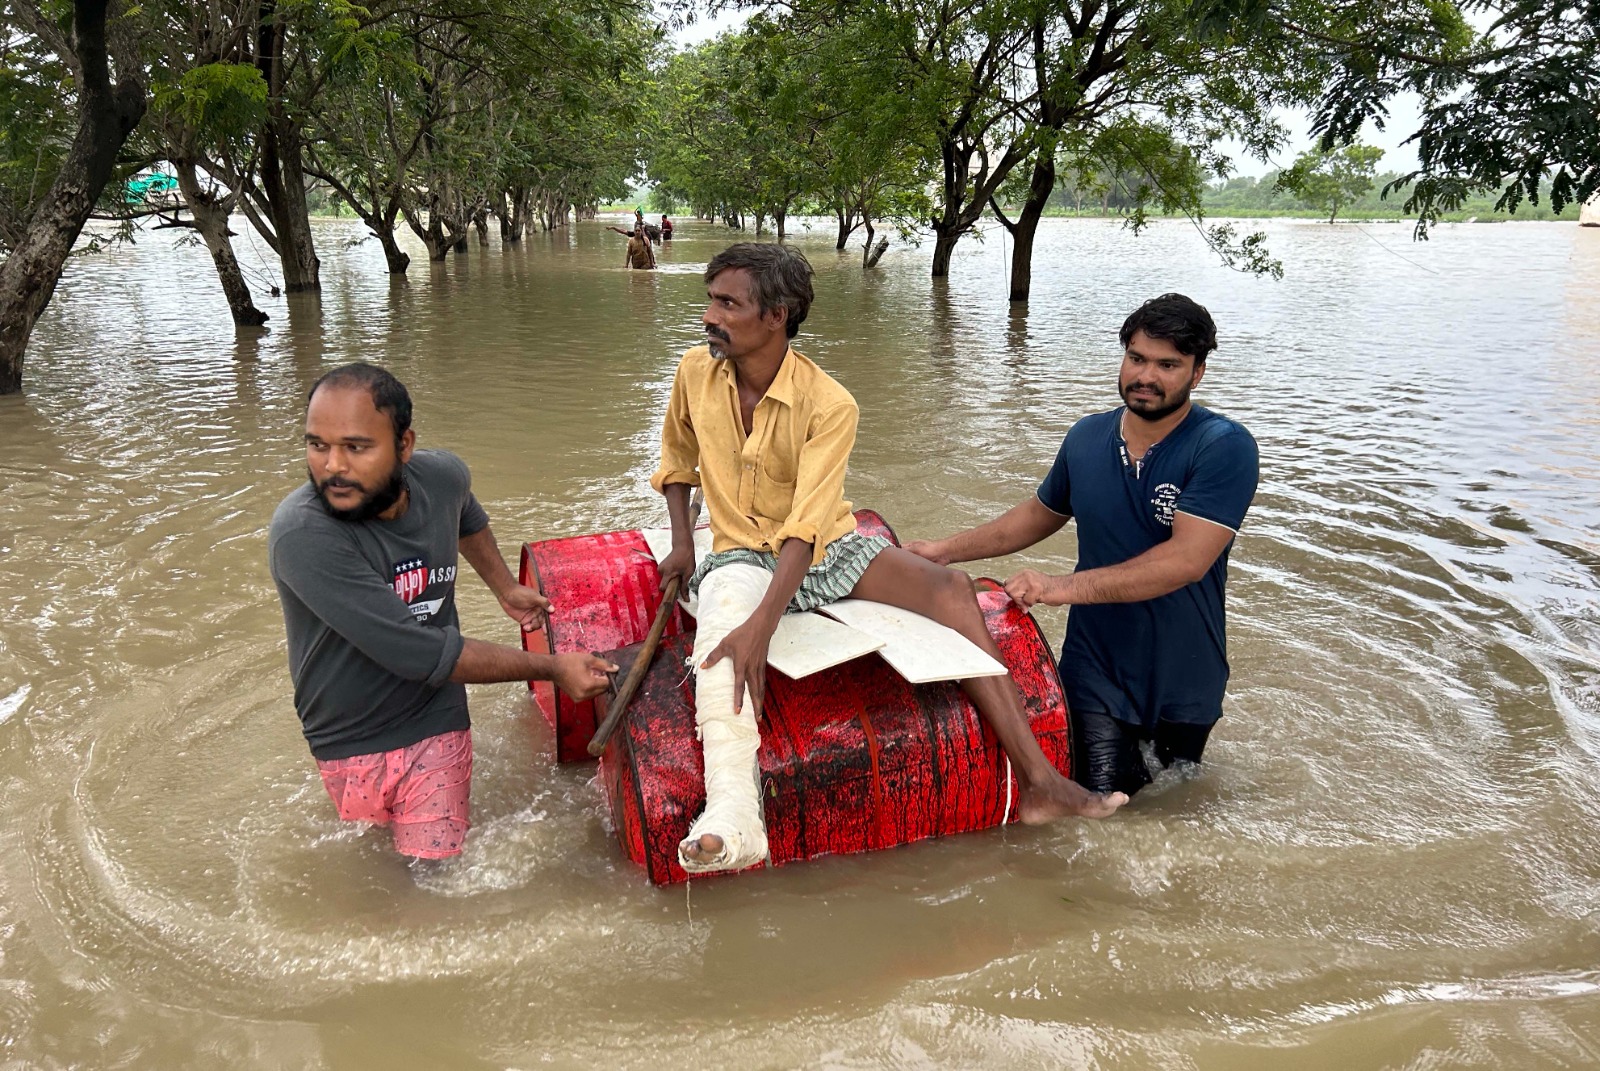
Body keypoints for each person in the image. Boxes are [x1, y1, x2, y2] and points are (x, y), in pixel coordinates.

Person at [651, 244, 1126, 875]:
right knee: (721, 656)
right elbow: (678, 460)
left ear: (777, 316)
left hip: (822, 549)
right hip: (737, 551)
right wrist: (685, 543)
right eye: (711, 299)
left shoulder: (830, 403)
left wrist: (765, 622)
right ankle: (735, 816)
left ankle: (1039, 779)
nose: (710, 314)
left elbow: (808, 528)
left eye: (727, 302)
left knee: (953, 589)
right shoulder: (694, 371)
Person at [905, 294, 1259, 798]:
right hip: (1095, 664)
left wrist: (1057, 587)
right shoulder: (1086, 437)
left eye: (1168, 365)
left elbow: (1186, 561)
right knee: (1094, 809)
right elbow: (1037, 515)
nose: (1146, 376)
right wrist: (945, 550)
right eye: (1137, 358)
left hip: (1185, 673)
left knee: (1166, 806)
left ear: (1197, 373)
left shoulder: (1223, 447)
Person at [268, 363, 616, 861]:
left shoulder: (442, 476)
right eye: (317, 445)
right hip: (344, 735)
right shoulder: (303, 535)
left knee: (432, 872)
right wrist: (553, 667)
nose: (332, 466)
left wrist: (503, 586)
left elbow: (465, 513)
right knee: (373, 867)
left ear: (404, 446)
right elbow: (421, 652)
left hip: (433, 714)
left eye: (356, 447)